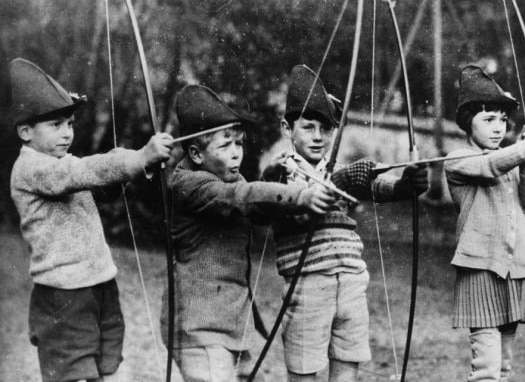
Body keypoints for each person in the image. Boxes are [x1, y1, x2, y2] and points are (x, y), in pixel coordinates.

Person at [8, 58, 174, 382]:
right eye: (55, 125)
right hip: (63, 293)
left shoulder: (63, 163)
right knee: (70, 372)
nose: (67, 133)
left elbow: (98, 190)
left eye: (69, 123)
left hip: (99, 283)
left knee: (104, 366)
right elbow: (81, 173)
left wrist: (130, 166)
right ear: (25, 131)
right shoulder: (31, 168)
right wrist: (137, 158)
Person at [261, 65, 428, 382]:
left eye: (326, 129)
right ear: (287, 128)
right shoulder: (280, 170)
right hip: (308, 281)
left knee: (348, 363)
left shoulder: (339, 168)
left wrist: (407, 183)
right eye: (308, 127)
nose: (318, 136)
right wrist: (327, 185)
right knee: (304, 366)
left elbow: (378, 187)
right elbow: (274, 200)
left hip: (351, 280)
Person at [159, 84, 335, 382]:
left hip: (231, 324)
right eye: (225, 146)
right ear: (195, 153)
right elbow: (241, 196)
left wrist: (282, 188)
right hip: (197, 327)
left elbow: (257, 207)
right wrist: (300, 196)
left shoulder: (230, 180)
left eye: (239, 144)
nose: (236, 154)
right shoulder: (189, 185)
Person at [444, 65, 525, 382]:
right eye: (488, 119)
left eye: (502, 119)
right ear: (467, 123)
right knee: (486, 367)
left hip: (515, 270)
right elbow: (490, 166)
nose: (498, 127)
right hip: (481, 269)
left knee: (504, 366)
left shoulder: (510, 157)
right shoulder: (459, 159)